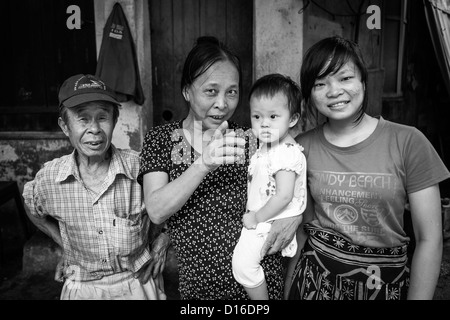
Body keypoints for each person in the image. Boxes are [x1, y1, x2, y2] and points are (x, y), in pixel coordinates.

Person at [286, 36, 450, 300]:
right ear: (310, 93)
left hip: (385, 288)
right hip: (314, 285)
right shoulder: (300, 147)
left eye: (345, 78)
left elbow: (429, 239)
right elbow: (303, 230)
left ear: (363, 81)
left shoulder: (408, 142)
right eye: (320, 83)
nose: (333, 91)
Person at [138, 36, 301, 299]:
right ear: (187, 91)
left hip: (257, 281)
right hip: (201, 288)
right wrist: (203, 164)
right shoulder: (163, 139)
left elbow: (294, 168)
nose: (223, 104)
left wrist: (295, 214)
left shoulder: (253, 138)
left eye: (232, 92)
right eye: (211, 91)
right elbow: (156, 210)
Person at [22, 74, 169, 300]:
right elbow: (32, 206)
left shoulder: (140, 168)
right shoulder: (50, 178)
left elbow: (174, 206)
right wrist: (65, 245)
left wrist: (163, 240)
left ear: (115, 121)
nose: (95, 129)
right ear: (65, 126)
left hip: (136, 283)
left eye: (103, 117)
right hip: (82, 287)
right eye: (83, 119)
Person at [231, 74, 307, 300]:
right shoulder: (267, 147)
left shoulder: (285, 152)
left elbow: (284, 196)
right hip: (263, 218)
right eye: (257, 116)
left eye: (273, 116)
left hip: (269, 221)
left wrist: (256, 217)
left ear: (292, 119)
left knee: (243, 266)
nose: (264, 123)